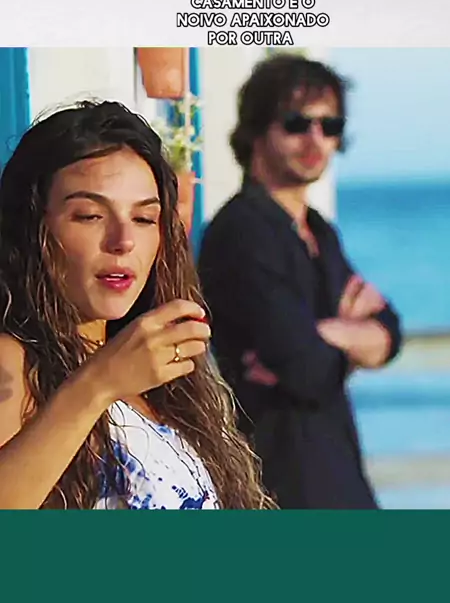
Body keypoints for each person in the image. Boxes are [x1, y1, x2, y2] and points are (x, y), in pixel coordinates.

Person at [0, 99, 275, 510]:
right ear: (32, 226)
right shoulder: (14, 362)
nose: (123, 241)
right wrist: (97, 385)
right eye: (90, 215)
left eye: (144, 219)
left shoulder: (163, 381)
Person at [198, 53, 403, 510]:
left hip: (342, 477)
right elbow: (306, 371)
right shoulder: (241, 232)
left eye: (330, 126)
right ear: (257, 129)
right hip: (279, 484)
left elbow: (391, 332)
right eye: (296, 123)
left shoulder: (319, 232)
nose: (315, 139)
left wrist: (324, 333)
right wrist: (348, 339)